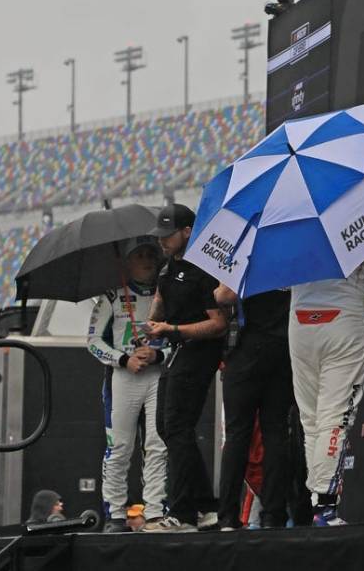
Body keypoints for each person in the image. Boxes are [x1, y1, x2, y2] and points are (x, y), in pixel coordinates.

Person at [142, 203, 227, 533]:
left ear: (188, 232)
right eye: (160, 235)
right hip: (177, 348)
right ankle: (205, 507)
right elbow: (160, 304)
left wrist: (173, 331)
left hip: (199, 351)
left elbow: (218, 323)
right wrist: (151, 324)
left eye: (168, 234)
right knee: (167, 427)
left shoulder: (202, 268)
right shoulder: (166, 267)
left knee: (176, 427)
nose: (162, 241)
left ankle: (182, 514)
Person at [289, 248, 364, 526]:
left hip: (300, 322)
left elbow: (282, 280)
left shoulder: (293, 219)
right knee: (336, 416)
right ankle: (326, 507)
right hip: (343, 321)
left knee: (311, 420)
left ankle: (318, 504)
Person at [86, 236, 167, 533]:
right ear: (127, 262)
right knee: (119, 448)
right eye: (139, 255)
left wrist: (159, 354)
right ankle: (115, 516)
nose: (147, 260)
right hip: (123, 378)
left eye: (151, 254)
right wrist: (123, 360)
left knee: (158, 445)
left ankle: (157, 512)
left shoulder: (167, 292)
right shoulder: (111, 296)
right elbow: (93, 342)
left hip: (158, 376)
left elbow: (179, 339)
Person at [213, 285, 293, 530]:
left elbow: (224, 295)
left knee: (237, 435)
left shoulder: (248, 251)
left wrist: (218, 290)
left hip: (247, 349)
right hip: (284, 348)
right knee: (276, 433)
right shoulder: (296, 256)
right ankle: (274, 514)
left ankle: (227, 515)